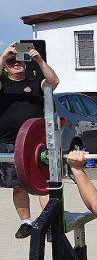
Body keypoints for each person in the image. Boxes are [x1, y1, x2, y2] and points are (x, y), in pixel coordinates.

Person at [0, 42, 59, 239]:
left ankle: (48, 223)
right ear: (6, 67)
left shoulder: (36, 82)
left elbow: (54, 82)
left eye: (18, 60)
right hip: (10, 144)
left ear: (25, 63)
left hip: (35, 144)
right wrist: (2, 56)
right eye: (11, 61)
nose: (15, 63)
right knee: (18, 186)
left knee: (42, 185)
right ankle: (26, 223)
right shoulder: (3, 84)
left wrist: (39, 60)